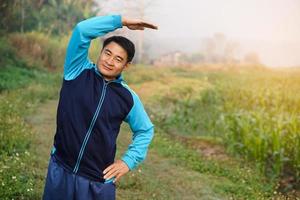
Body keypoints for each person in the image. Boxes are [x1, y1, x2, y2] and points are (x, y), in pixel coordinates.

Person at [42, 14, 158, 200]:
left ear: (126, 66)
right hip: (61, 168)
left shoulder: (128, 98)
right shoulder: (77, 70)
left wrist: (127, 162)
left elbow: (145, 130)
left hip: (97, 181)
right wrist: (121, 21)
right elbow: (82, 31)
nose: (110, 61)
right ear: (101, 52)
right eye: (107, 53)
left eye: (118, 59)